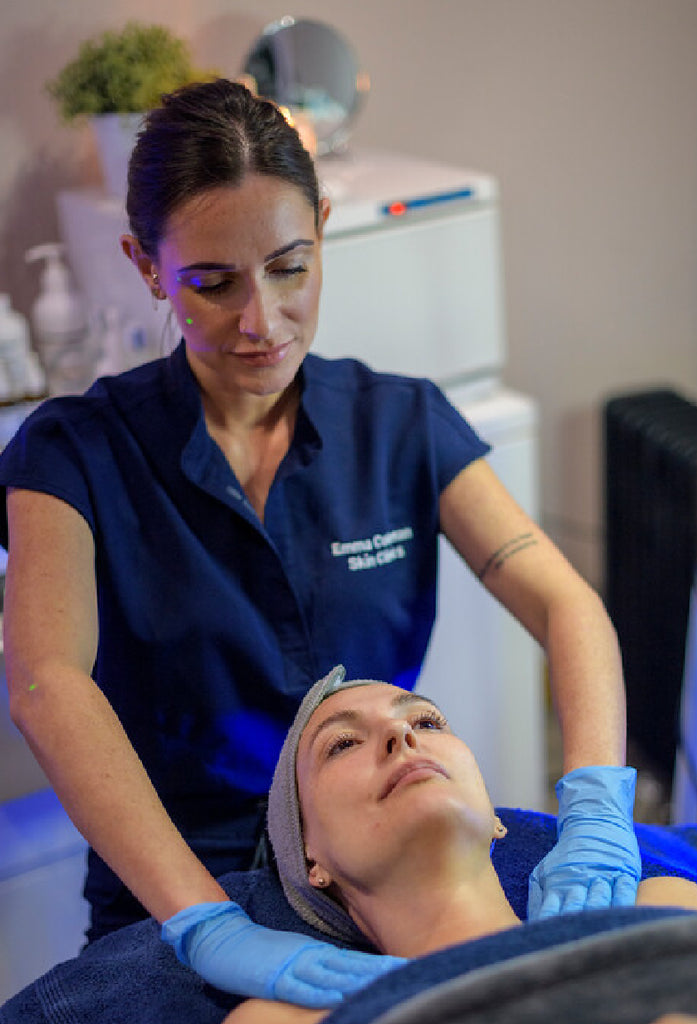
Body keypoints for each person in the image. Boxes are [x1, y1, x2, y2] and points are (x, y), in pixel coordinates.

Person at [0, 78, 637, 1004]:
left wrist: (595, 807)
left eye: (290, 266)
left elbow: (561, 599)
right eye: (211, 284)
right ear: (145, 265)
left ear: (324, 229)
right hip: (189, 881)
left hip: (392, 855)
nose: (262, 321)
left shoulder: (401, 422)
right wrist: (202, 924)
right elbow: (45, 682)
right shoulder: (75, 453)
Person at [223, 666, 697, 1022]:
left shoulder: (658, 901)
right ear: (311, 859)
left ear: (495, 820)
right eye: (343, 743)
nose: (401, 734)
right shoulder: (285, 1018)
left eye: (428, 723)